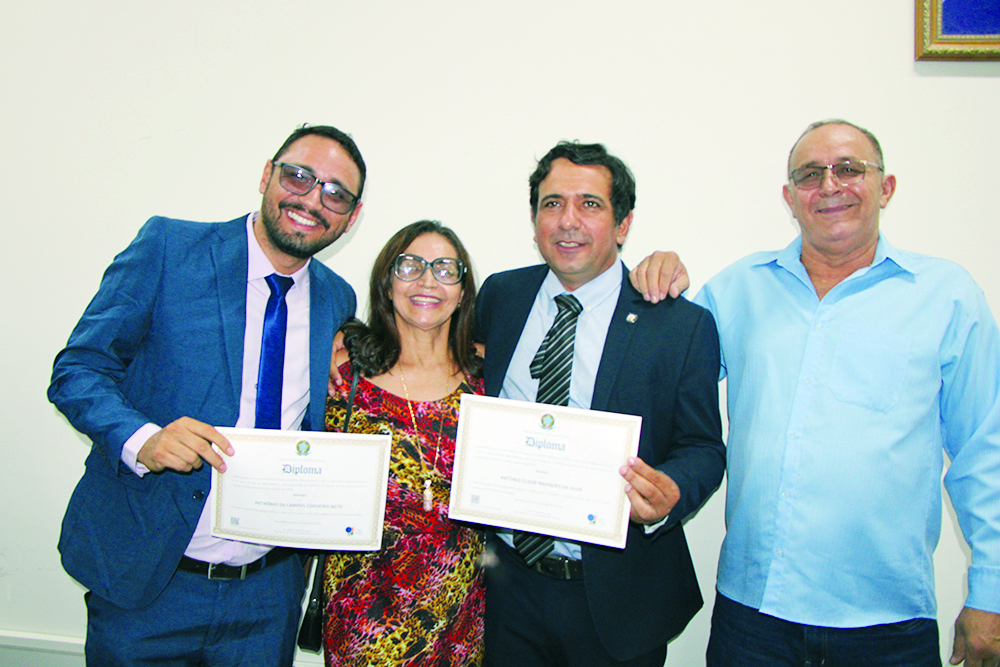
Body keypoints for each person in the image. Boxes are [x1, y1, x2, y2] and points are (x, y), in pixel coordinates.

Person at [632, 119, 1000, 667]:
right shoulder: (737, 289)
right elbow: (656, 382)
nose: (829, 185)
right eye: (809, 174)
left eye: (849, 169)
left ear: (885, 187)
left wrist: (992, 592)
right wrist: (652, 289)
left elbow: (985, 451)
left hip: (888, 625)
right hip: (753, 620)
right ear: (789, 197)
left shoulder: (947, 297)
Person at [48, 124, 366, 666]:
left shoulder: (337, 298)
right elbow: (78, 368)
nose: (313, 199)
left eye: (335, 192)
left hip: (268, 595)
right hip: (150, 581)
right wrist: (143, 439)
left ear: (351, 216)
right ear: (266, 176)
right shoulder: (169, 248)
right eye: (299, 176)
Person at [475, 141, 725, 666]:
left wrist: (671, 491)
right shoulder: (500, 296)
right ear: (534, 220)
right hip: (506, 591)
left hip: (619, 598)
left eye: (590, 204)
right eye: (552, 204)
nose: (568, 221)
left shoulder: (679, 324)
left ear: (623, 224)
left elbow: (703, 447)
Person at [323, 221, 486, 666]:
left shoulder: (486, 381)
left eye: (445, 269)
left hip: (460, 618)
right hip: (363, 619)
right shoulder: (343, 376)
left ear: (463, 291)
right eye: (410, 266)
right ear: (387, 282)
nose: (428, 281)